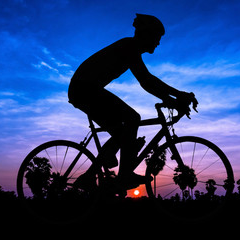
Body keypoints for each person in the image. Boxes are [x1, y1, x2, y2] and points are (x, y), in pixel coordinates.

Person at [68, 13, 198, 191]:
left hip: (84, 89)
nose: (158, 43)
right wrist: (176, 97)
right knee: (132, 118)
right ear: (147, 34)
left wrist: (174, 97)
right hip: (85, 89)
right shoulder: (129, 46)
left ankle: (88, 177)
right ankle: (124, 175)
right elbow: (146, 81)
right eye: (157, 38)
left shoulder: (130, 47)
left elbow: (148, 81)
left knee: (122, 134)